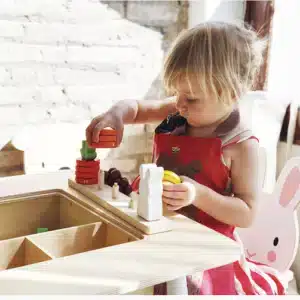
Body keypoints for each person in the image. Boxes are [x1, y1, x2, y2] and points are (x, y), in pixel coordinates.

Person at [86, 21, 286, 295]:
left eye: (191, 98)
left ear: (231, 92)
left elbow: (247, 213)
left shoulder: (241, 146)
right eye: (177, 92)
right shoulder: (179, 112)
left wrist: (197, 194)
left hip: (204, 251)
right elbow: (137, 109)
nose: (179, 103)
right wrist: (117, 114)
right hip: (160, 229)